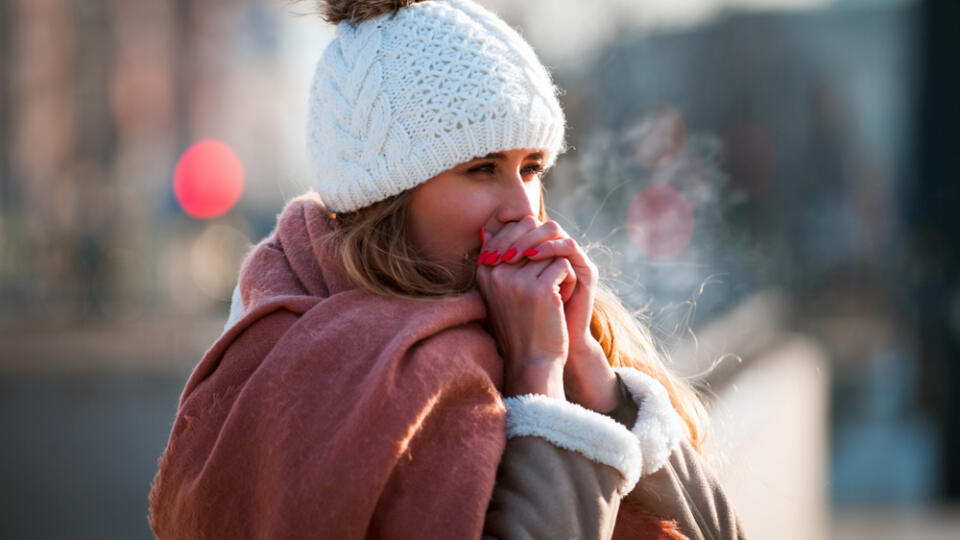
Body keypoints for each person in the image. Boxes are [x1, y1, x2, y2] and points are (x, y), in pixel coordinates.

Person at [148, 1, 746, 538]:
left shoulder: (552, 324)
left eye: (532, 167)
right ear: (389, 198)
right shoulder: (307, 358)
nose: (522, 207)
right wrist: (539, 380)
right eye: (483, 168)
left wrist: (593, 376)